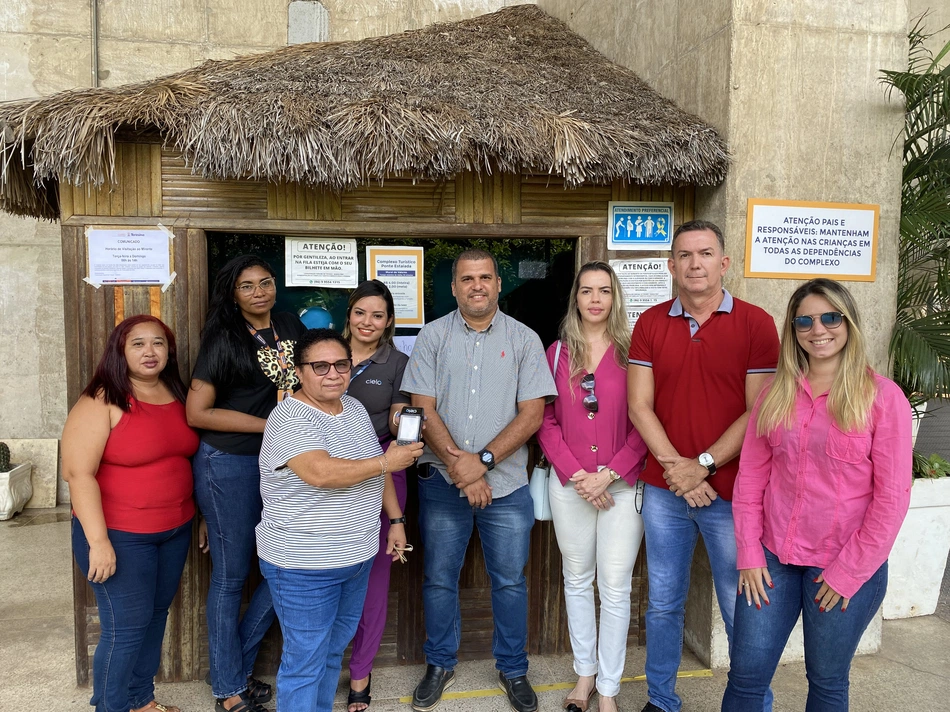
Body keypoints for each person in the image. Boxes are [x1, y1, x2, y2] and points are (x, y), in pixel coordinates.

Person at [722, 279, 912, 710]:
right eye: (804, 320)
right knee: (746, 676)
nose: (818, 329)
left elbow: (892, 498)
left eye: (830, 317)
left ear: (848, 323)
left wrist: (849, 572)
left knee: (826, 681)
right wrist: (749, 553)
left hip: (843, 566)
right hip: (773, 560)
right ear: (792, 330)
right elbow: (751, 479)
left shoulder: (882, 398)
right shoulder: (774, 393)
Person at [627, 220, 780, 712]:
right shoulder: (649, 323)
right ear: (671, 266)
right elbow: (638, 407)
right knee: (663, 604)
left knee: (743, 608)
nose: (695, 263)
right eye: (685, 255)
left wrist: (706, 465)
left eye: (705, 253)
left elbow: (758, 411)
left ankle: (751, 701)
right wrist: (680, 470)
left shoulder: (757, 323)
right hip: (664, 492)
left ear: (723, 262)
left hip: (734, 492)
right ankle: (661, 700)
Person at [401, 249, 557, 712]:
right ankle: (440, 663)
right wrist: (461, 468)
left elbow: (532, 415)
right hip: (442, 485)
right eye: (466, 279)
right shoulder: (431, 337)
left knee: (509, 581)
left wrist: (482, 461)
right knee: (439, 579)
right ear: (453, 287)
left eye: (485, 277)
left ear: (497, 283)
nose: (476, 286)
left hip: (507, 487)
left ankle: (513, 669)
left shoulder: (525, 339)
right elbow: (422, 408)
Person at [256, 328, 423, 712]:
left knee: (331, 654)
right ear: (300, 371)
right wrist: (387, 460)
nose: (333, 373)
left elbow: (374, 474)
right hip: (304, 564)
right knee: (304, 664)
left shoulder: (354, 409)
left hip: (356, 558)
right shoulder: (288, 417)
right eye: (320, 366)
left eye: (341, 364)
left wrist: (395, 520)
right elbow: (321, 473)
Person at [186, 255, 306, 712]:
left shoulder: (291, 325)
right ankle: (228, 692)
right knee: (232, 577)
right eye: (247, 286)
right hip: (229, 463)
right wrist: (271, 424)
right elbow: (197, 413)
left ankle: (233, 669)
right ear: (232, 294)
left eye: (266, 282)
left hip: (280, 463)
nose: (259, 292)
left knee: (285, 564)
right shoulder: (224, 337)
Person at [63, 315, 198, 712]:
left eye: (158, 343)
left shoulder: (175, 393)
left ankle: (141, 701)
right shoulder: (103, 398)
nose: (150, 351)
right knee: (125, 629)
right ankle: (111, 706)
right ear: (120, 351)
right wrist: (98, 543)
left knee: (155, 617)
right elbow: (77, 473)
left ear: (169, 350)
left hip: (175, 529)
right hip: (119, 534)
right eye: (138, 343)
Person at [537, 261, 647, 712]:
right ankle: (584, 677)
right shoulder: (557, 354)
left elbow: (647, 419)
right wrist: (579, 474)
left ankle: (609, 691)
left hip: (621, 486)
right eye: (587, 290)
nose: (596, 298)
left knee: (615, 587)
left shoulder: (634, 352)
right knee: (577, 580)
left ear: (615, 297)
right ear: (576, 298)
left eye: (604, 290)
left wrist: (610, 473)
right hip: (572, 485)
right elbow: (543, 420)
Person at [341, 280, 412, 712]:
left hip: (383, 477)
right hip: (322, 480)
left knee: (373, 585)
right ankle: (323, 663)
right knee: (324, 576)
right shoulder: (323, 355)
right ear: (348, 313)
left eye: (378, 315)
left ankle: (361, 673)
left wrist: (398, 515)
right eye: (361, 312)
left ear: (389, 322)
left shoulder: (400, 363)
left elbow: (400, 435)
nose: (368, 322)